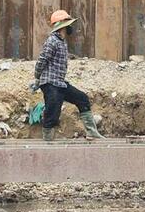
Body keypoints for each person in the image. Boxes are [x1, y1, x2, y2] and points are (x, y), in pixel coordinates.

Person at [34, 9, 103, 141]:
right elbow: (42, 60)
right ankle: (47, 141)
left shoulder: (61, 42)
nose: (70, 27)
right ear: (62, 25)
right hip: (50, 83)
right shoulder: (52, 41)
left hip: (59, 83)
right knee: (52, 112)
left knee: (82, 99)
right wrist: (37, 78)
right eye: (68, 24)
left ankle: (92, 132)